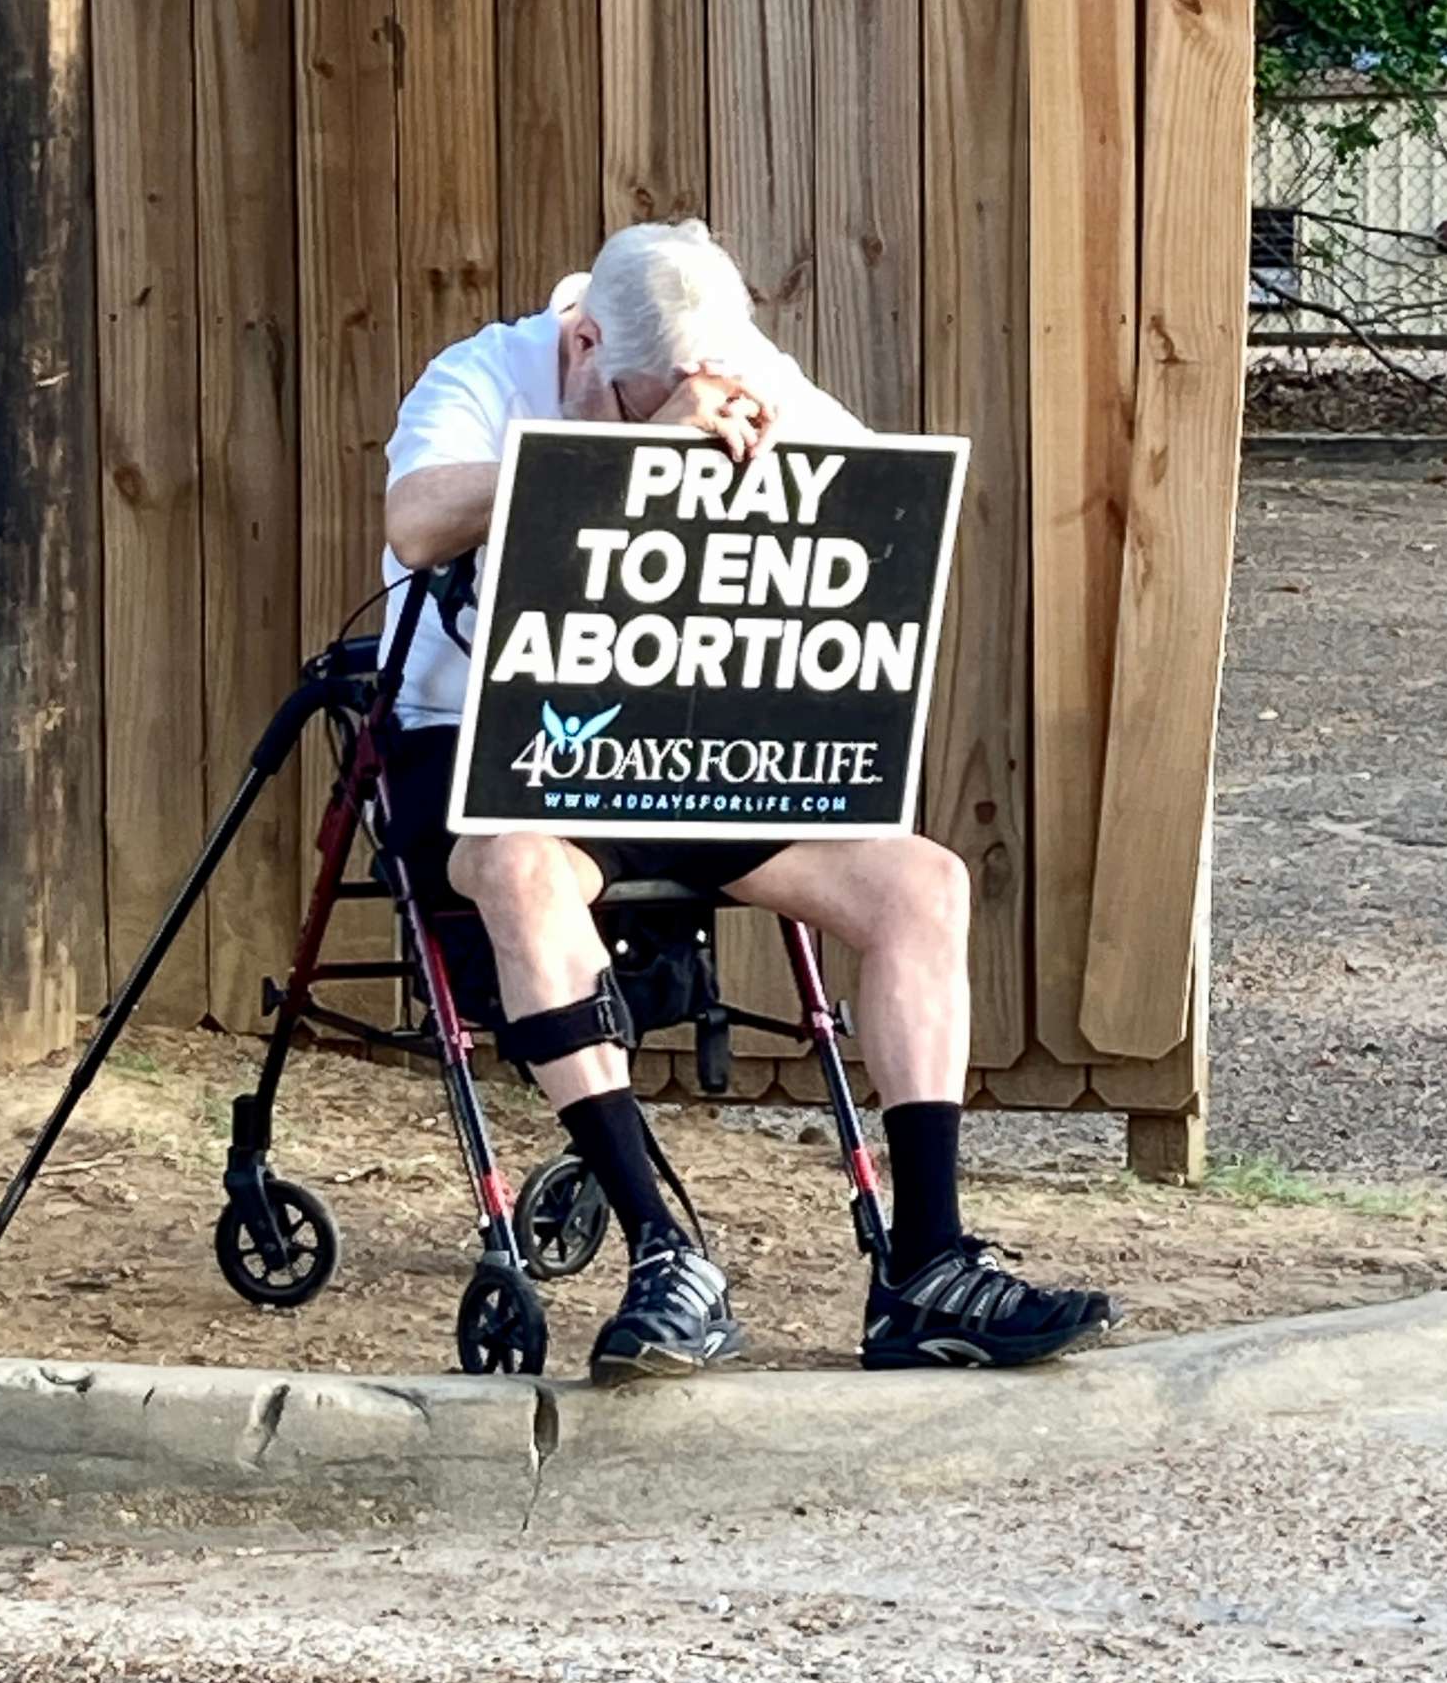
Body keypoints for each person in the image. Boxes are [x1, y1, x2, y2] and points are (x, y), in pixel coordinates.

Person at [380, 217, 1115, 1385]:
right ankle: (667, 1256)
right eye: (655, 396)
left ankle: (927, 1267)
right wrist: (616, 454)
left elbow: (877, 502)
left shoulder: (727, 365)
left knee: (926, 882)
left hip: (689, 740)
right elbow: (415, 520)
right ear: (581, 344)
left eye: (715, 383)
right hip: (495, 747)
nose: (701, 402)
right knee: (521, 872)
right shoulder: (487, 374)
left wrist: (796, 461)